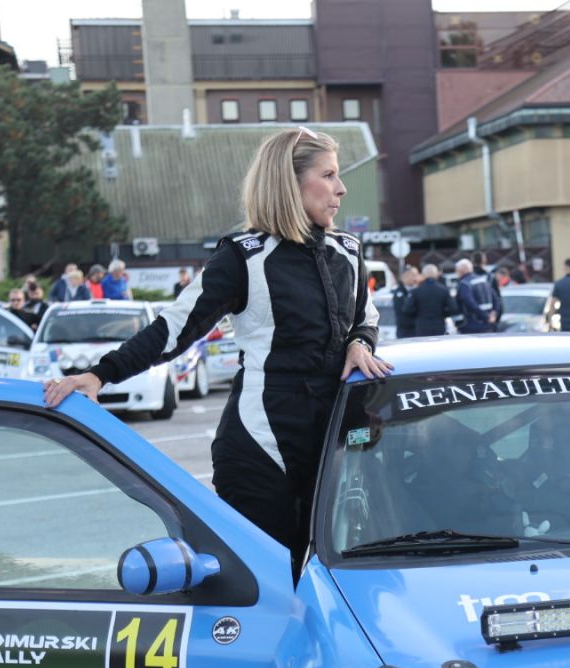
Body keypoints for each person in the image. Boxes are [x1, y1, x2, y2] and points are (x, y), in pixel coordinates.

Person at [43, 127, 390, 571]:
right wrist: (100, 374)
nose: (341, 188)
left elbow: (367, 317)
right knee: (270, 584)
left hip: (335, 438)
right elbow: (174, 328)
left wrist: (360, 343)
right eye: (328, 175)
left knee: (333, 584)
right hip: (261, 444)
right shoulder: (242, 256)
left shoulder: (348, 251)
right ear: (289, 181)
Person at [400, 263, 454, 337]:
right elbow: (453, 309)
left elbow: (407, 310)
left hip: (422, 327)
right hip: (439, 326)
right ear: (436, 274)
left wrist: (418, 315)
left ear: (423, 275)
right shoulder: (444, 290)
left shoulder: (416, 291)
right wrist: (443, 314)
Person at [454, 258, 496, 334]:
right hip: (487, 325)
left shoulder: (464, 284)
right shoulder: (483, 280)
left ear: (462, 270)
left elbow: (469, 302)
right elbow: (496, 299)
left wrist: (485, 316)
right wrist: (494, 314)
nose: (456, 273)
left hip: (471, 325)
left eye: (456, 270)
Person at [471, 251, 503, 327]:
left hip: (473, 319)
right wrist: (496, 316)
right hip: (490, 318)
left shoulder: (467, 279)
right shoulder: (490, 278)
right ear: (484, 260)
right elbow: (498, 298)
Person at [393, 266, 419, 338]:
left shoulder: (417, 290)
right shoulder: (399, 293)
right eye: (413, 275)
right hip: (405, 332)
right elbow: (405, 311)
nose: (416, 278)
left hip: (417, 332)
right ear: (405, 276)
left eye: (417, 275)